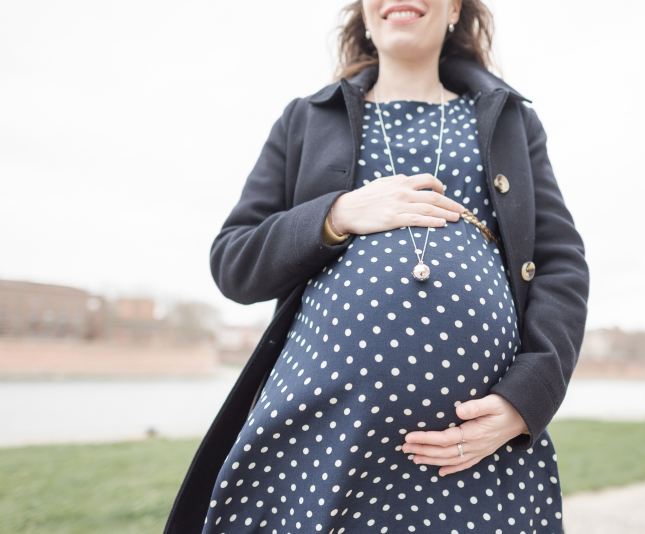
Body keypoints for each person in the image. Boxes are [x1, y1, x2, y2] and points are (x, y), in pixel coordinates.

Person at [163, 1, 590, 533]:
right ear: (365, 13)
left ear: (455, 8)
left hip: (475, 449)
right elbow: (233, 260)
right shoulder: (304, 118)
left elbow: (561, 264)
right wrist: (338, 213)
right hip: (321, 439)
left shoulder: (511, 121)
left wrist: (527, 399)